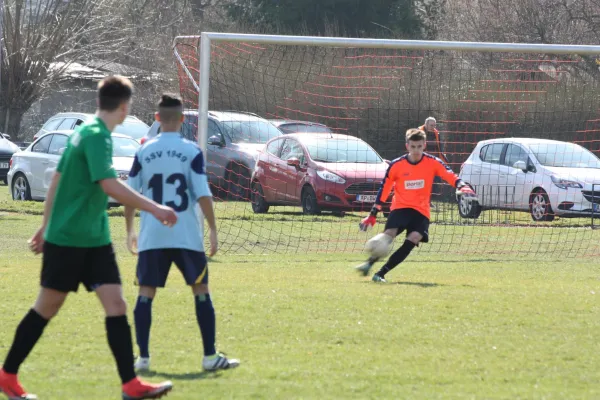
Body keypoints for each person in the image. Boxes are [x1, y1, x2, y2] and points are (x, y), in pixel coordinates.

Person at [0, 76, 177, 400]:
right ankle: (7, 375)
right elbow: (109, 185)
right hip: (69, 239)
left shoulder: (83, 132)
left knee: (116, 304)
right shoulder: (96, 136)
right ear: (125, 107)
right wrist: (155, 208)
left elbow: (56, 180)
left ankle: (130, 385)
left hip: (94, 240)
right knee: (47, 307)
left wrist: (44, 224)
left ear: (100, 102)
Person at [124, 94, 240, 372]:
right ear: (183, 120)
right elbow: (203, 194)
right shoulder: (191, 151)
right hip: (187, 236)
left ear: (157, 118)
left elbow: (129, 193)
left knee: (146, 292)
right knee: (200, 290)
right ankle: (210, 357)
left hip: (153, 236)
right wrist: (212, 229)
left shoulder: (143, 151)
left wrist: (129, 230)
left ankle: (143, 359)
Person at [355, 128, 476, 283]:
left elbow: (449, 175)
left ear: (424, 145)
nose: (416, 150)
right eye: (413, 147)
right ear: (407, 146)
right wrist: (373, 213)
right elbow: (384, 188)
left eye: (419, 146)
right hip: (400, 208)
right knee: (388, 235)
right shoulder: (396, 165)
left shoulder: (433, 162)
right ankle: (368, 264)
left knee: (414, 237)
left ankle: (380, 273)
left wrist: (461, 185)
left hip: (421, 210)